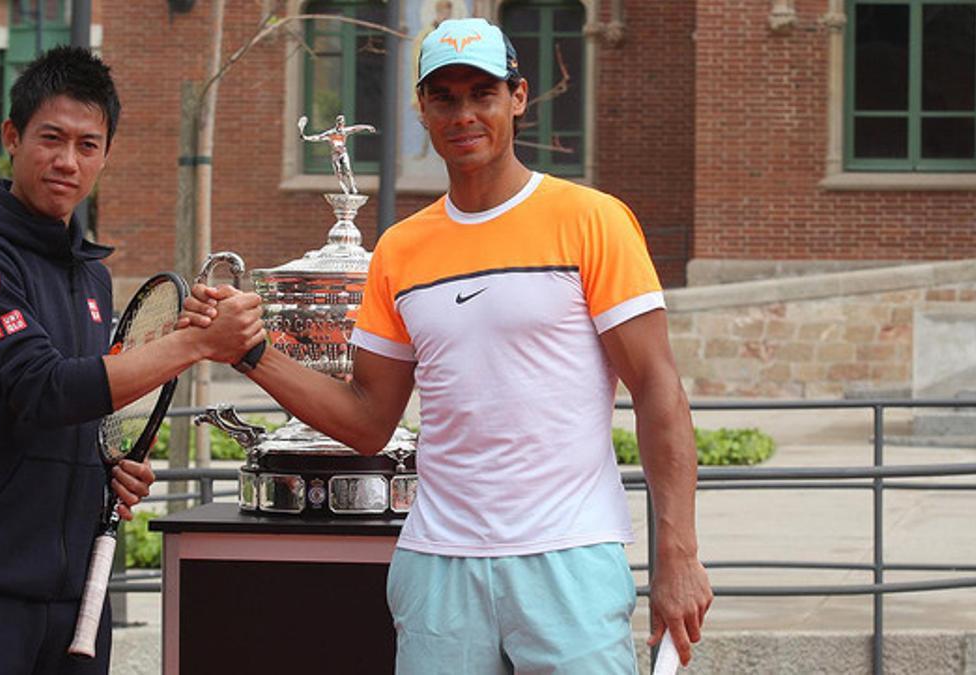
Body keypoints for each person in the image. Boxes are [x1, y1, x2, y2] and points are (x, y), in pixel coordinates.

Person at [190, 17, 712, 674]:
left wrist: (679, 554)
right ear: (422, 109)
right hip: (438, 567)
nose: (464, 113)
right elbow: (369, 418)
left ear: (517, 98)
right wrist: (251, 352)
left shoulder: (593, 220)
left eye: (482, 93)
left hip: (568, 558)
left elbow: (659, 388)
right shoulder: (400, 250)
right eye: (445, 96)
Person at [0, 46, 263, 674]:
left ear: (105, 154)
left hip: (75, 601)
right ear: (12, 137)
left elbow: (83, 406)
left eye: (88, 145)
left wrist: (102, 467)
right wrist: (198, 342)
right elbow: (42, 390)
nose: (68, 161)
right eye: (52, 138)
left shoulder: (90, 276)